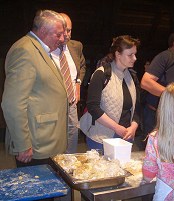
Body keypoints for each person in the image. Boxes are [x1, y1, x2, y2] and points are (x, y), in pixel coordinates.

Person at [1, 10, 68, 167]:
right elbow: (13, 103)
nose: (62, 39)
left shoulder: (40, 50)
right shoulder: (24, 50)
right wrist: (23, 144)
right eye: (58, 34)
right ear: (44, 31)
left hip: (46, 138)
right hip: (36, 143)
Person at [80, 35, 140, 151]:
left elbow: (137, 107)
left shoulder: (132, 76)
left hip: (125, 136)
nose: (135, 58)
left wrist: (133, 127)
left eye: (135, 54)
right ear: (118, 54)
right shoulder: (101, 74)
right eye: (130, 55)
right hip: (101, 137)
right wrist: (116, 128)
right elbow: (93, 107)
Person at [51, 13, 86, 153]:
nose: (66, 34)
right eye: (63, 30)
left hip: (71, 104)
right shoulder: (47, 48)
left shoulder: (76, 46)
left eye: (69, 30)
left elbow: (82, 66)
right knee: (54, 141)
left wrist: (77, 83)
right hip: (53, 105)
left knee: (72, 137)